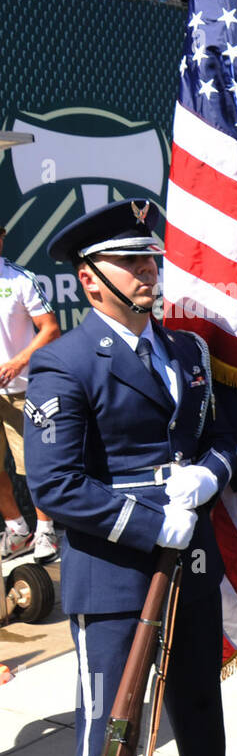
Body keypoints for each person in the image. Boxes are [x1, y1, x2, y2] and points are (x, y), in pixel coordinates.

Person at [26, 200, 237, 756]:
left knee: (199, 695)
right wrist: (147, 521)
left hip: (191, 554)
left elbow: (216, 435)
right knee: (116, 727)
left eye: (150, 256)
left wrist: (214, 472)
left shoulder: (184, 351)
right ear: (90, 278)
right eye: (131, 260)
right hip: (115, 573)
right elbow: (56, 484)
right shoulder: (63, 361)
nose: (149, 269)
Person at [1, 223, 60, 562]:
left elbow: (50, 328)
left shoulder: (21, 279)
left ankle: (45, 533)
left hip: (23, 390)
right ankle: (17, 530)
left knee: (34, 467)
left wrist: (18, 362)